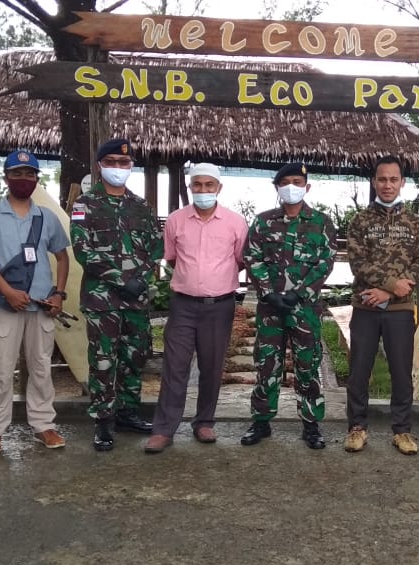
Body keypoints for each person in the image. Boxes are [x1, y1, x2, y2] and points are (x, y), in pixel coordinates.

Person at [0, 149, 70, 456]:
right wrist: (6, 291)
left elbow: (62, 255)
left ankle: (43, 425)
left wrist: (59, 293)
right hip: (6, 303)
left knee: (40, 367)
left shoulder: (46, 216)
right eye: (17, 173)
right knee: (1, 369)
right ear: (6, 177)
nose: (23, 179)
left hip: (40, 304)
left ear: (37, 179)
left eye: (29, 174)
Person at [144, 163, 247, 453]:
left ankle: (204, 422)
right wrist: (195, 279)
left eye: (208, 185)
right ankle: (164, 429)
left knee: (212, 366)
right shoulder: (176, 220)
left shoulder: (235, 222)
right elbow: (172, 258)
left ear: (219, 188)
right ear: (190, 188)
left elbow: (240, 260)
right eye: (197, 185)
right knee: (174, 366)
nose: (203, 190)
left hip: (220, 305)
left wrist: (213, 280)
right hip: (183, 305)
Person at [71, 138, 163, 451]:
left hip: (136, 298)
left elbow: (155, 247)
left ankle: (127, 412)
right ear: (99, 165)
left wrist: (142, 277)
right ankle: (102, 421)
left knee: (134, 358)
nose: (118, 168)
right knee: (103, 361)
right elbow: (83, 250)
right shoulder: (85, 205)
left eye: (124, 163)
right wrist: (120, 279)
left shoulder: (141, 206)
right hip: (103, 299)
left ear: (131, 166)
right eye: (111, 162)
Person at [240, 163, 336, 449]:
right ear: (277, 187)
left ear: (306, 186)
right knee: (267, 365)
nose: (291, 186)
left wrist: (300, 293)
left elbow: (325, 262)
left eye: (297, 181)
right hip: (271, 309)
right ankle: (260, 422)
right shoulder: (263, 221)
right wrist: (269, 293)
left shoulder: (321, 222)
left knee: (307, 365)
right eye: (286, 182)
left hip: (304, 309)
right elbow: (252, 257)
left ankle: (311, 425)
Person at [342, 155, 419, 455]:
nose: (388, 185)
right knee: (359, 370)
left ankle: (402, 431)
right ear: (374, 181)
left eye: (394, 179)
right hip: (366, 307)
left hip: (400, 311)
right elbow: (358, 263)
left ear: (402, 182)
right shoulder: (360, 222)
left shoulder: (415, 223)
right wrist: (391, 286)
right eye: (382, 179)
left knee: (401, 372)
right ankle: (357, 428)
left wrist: (390, 294)